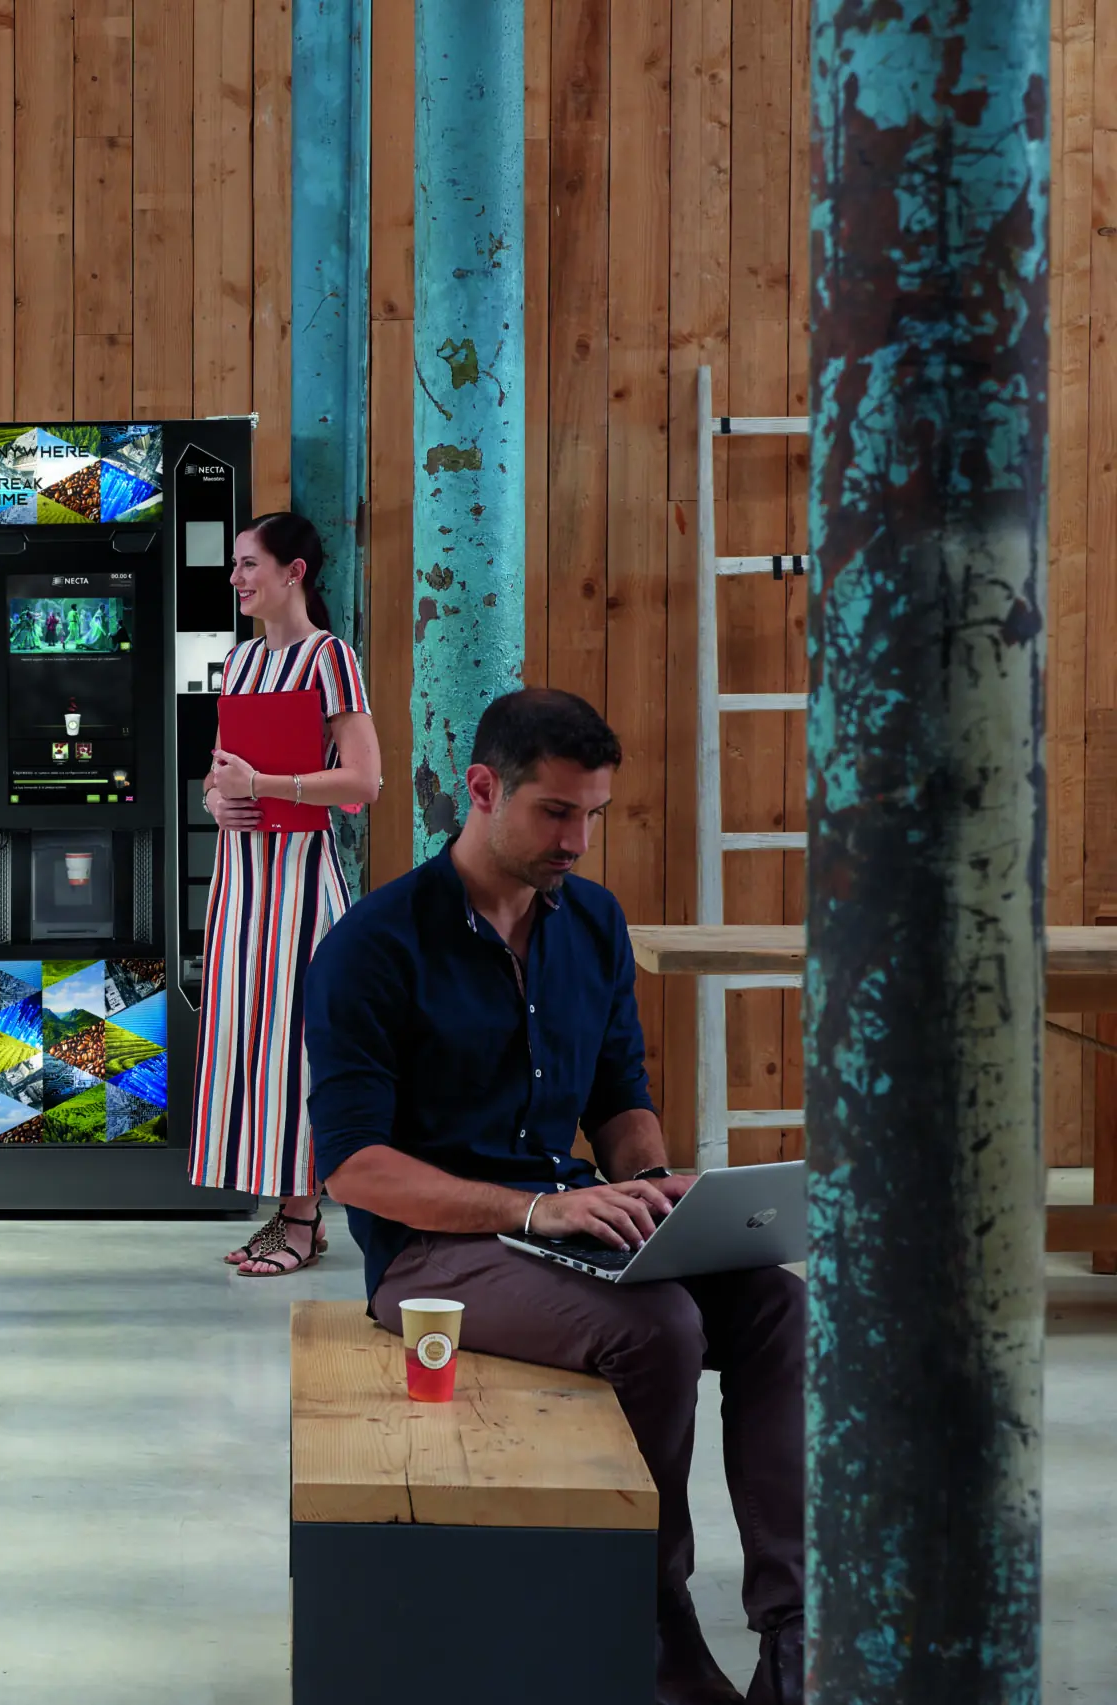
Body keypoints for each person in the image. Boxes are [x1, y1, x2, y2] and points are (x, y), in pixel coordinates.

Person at [306, 688, 802, 1705]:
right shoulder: (371, 945)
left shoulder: (593, 923)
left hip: (568, 1225)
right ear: (482, 790)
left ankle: (792, 1636)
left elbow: (619, 1094)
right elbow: (351, 1165)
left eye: (593, 815)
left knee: (774, 1302)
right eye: (555, 813)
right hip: (431, 1256)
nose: (578, 838)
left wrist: (651, 1185)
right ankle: (655, 1626)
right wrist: (534, 1211)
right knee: (656, 1326)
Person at [191, 513, 380, 1277]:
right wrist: (216, 800)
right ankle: (289, 1211)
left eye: (248, 564)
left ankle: (300, 1219)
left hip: (302, 883)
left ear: (294, 572)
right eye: (235, 565)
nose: (236, 578)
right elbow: (219, 773)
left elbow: (364, 780)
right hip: (241, 886)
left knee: (297, 1044)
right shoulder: (237, 664)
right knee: (251, 1039)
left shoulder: (330, 658)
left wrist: (263, 786)